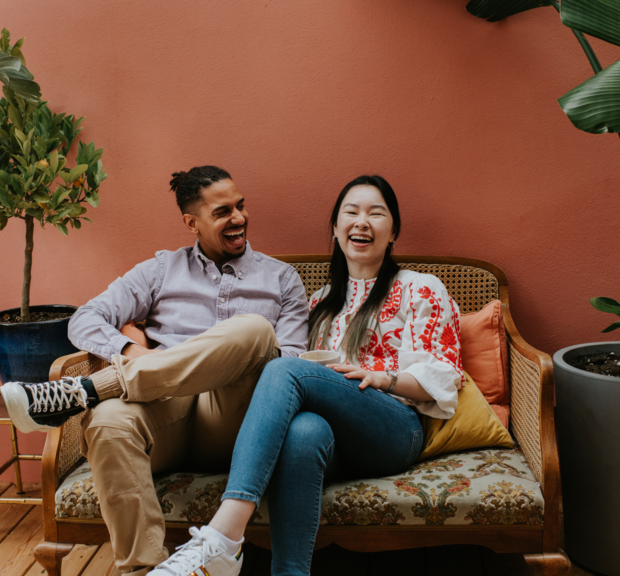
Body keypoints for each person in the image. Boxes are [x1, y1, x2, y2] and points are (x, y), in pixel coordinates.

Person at [0, 165, 309, 576]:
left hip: (239, 420)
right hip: (166, 409)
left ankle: (86, 390)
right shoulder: (162, 271)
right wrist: (132, 350)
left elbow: (289, 367)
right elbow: (86, 319)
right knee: (108, 420)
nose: (238, 219)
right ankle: (143, 570)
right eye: (222, 212)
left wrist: (229, 355)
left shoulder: (281, 279)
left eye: (240, 206)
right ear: (191, 222)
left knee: (252, 329)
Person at [152, 175, 464, 576]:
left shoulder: (421, 288)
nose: (362, 222)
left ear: (394, 231)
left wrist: (382, 378)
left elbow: (444, 377)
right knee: (303, 432)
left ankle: (224, 536)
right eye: (350, 213)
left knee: (285, 370)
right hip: (333, 439)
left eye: (376, 213)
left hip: (393, 427)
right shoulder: (317, 302)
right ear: (335, 230)